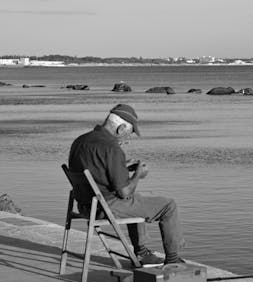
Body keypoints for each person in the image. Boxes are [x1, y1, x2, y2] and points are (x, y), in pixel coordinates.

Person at [68, 103, 185, 266]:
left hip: (85, 206)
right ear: (121, 128)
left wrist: (122, 166)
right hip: (105, 208)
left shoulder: (80, 141)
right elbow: (124, 193)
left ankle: (142, 254)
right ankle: (173, 260)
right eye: (129, 134)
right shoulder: (111, 147)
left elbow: (96, 171)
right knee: (168, 205)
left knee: (137, 199)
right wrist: (138, 175)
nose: (128, 140)